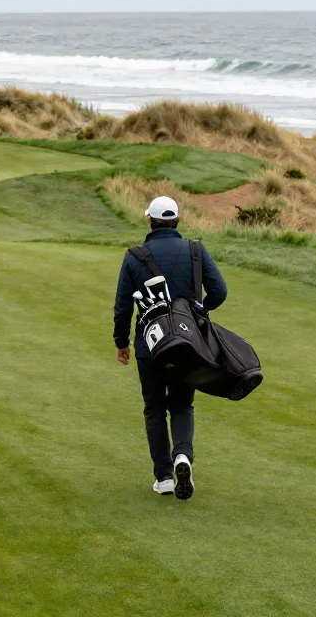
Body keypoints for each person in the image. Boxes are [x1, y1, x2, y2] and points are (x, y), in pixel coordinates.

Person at [112, 195, 228, 500]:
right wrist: (199, 309)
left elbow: (123, 306)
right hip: (187, 343)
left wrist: (121, 343)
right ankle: (182, 457)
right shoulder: (195, 249)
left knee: (154, 408)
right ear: (177, 220)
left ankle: (163, 477)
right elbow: (220, 291)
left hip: (148, 345)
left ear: (149, 220)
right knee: (181, 404)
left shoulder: (134, 255)